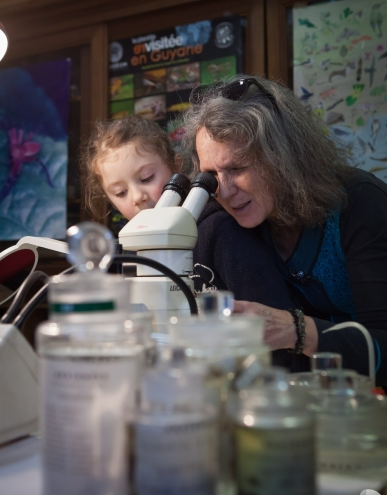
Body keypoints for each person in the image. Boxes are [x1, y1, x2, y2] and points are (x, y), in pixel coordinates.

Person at [182, 75, 387, 384]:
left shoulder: (359, 202)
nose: (223, 191)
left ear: (283, 158)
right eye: (211, 175)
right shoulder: (233, 216)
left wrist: (296, 330)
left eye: (237, 169)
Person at [82, 116, 296, 367]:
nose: (137, 197)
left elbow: (272, 324)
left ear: (176, 167)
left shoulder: (220, 230)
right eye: (120, 193)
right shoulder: (129, 251)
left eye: (146, 178)